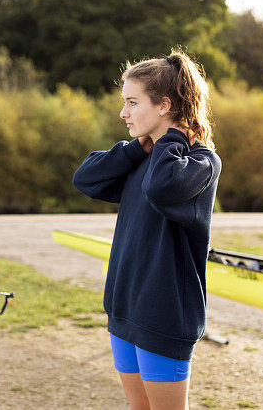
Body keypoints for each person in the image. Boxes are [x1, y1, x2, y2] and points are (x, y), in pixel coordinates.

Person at [73, 51, 221, 410]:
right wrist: (137, 148)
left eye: (132, 102)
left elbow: (162, 188)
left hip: (164, 315)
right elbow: (86, 178)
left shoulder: (200, 163)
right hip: (124, 307)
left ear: (163, 105)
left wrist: (171, 138)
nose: (123, 113)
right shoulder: (141, 159)